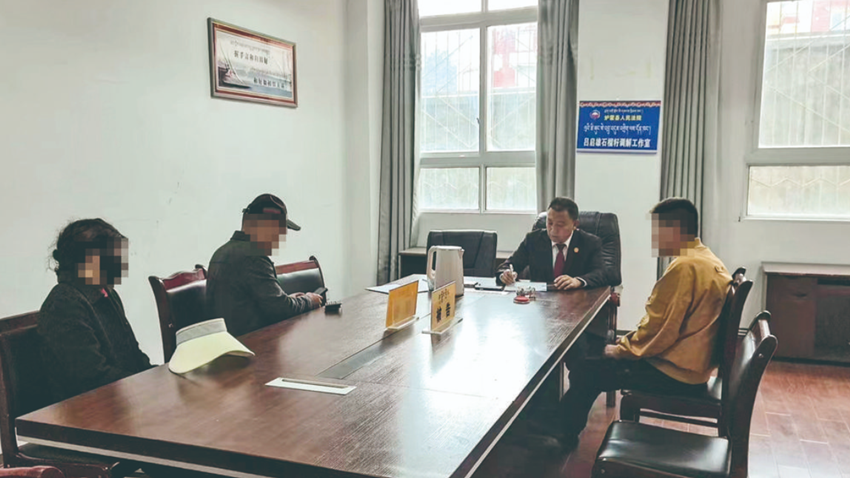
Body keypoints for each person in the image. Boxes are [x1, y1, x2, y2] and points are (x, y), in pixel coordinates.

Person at [546, 197, 732, 451]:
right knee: (589, 365)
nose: (654, 238)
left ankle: (559, 435)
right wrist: (626, 343)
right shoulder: (706, 258)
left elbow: (661, 331)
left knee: (589, 369)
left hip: (675, 373)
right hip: (693, 367)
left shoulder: (685, 266)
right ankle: (562, 424)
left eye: (658, 230)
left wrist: (622, 349)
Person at [39, 219, 152, 403]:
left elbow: (133, 355)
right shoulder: (63, 304)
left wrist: (159, 377)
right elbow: (93, 378)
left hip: (123, 396)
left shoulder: (106, 294)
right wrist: (147, 386)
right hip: (87, 409)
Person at [207, 193, 324, 337]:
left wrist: (291, 300)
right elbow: (281, 310)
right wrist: (309, 300)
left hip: (227, 342)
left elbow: (254, 303)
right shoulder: (253, 256)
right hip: (252, 344)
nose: (280, 237)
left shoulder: (220, 253)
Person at [496, 197, 607, 290]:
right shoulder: (534, 239)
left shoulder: (590, 243)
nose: (553, 230)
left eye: (560, 225)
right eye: (549, 223)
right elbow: (509, 265)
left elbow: (602, 273)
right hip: (540, 302)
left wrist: (578, 281)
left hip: (576, 301)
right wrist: (505, 274)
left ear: (575, 225)